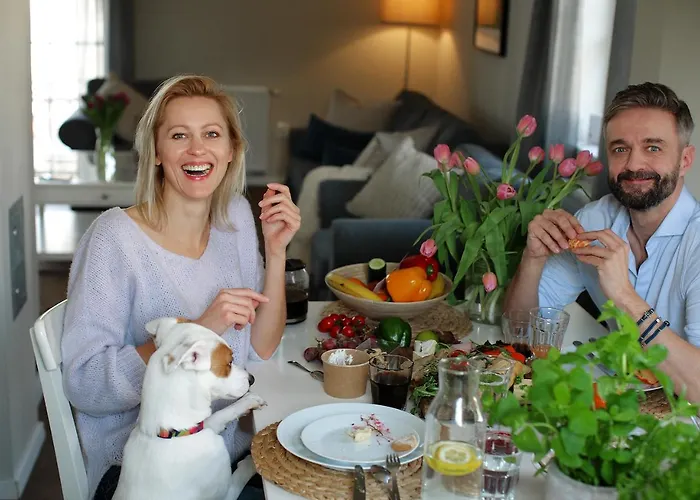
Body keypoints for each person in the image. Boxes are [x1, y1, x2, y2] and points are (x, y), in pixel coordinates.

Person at [60, 74, 301, 500]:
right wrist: (195, 331)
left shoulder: (235, 218)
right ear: (156, 152)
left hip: (226, 456)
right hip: (143, 472)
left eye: (211, 134)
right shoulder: (113, 239)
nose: (197, 149)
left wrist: (276, 251)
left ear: (231, 151)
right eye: (178, 135)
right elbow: (85, 383)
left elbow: (261, 347)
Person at [503, 82, 700, 403]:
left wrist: (624, 296)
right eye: (620, 149)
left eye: (653, 148)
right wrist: (533, 259)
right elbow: (520, 332)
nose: (634, 165)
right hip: (607, 401)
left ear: (686, 159)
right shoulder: (593, 219)